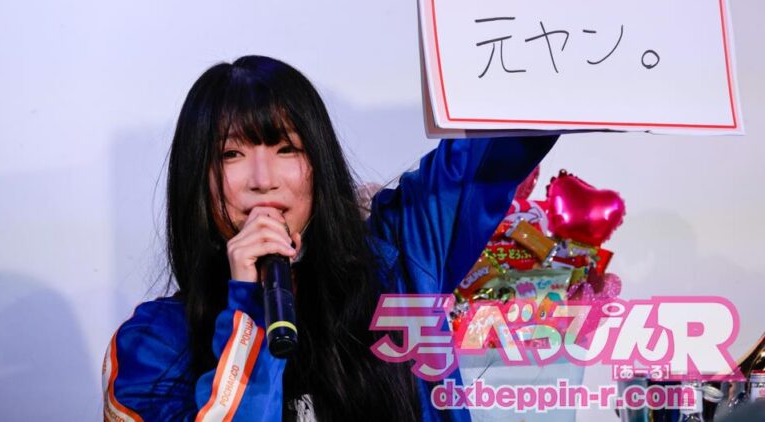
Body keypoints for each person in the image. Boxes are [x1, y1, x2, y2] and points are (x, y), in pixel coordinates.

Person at [102, 55, 557, 421]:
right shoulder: (151, 348)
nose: (263, 180)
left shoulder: (398, 260)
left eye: (287, 149)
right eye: (231, 154)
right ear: (197, 179)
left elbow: (502, 138)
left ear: (318, 165)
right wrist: (249, 307)